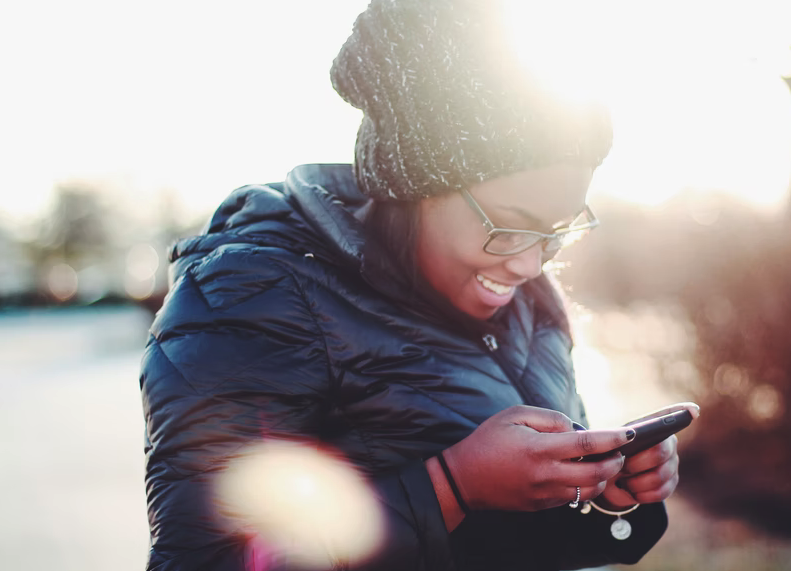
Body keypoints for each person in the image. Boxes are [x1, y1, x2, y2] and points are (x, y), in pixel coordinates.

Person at [140, 1, 697, 569]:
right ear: (414, 184)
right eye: (509, 224)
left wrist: (602, 489)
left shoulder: (527, 300)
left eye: (557, 231)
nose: (532, 265)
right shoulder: (253, 297)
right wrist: (449, 488)